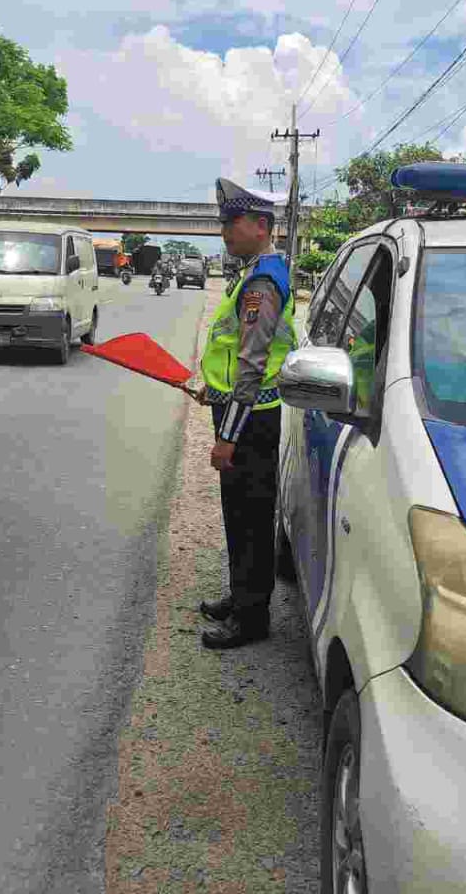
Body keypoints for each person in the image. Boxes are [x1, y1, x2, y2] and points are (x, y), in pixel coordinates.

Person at [190, 177, 297, 649]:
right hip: (239, 410)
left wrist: (227, 436)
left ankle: (251, 619)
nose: (224, 232)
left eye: (232, 222)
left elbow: (253, 366)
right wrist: (213, 394)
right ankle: (241, 596)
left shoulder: (262, 282)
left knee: (251, 518)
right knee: (238, 513)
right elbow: (234, 356)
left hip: (251, 419)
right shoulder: (255, 271)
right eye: (223, 223)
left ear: (261, 224)